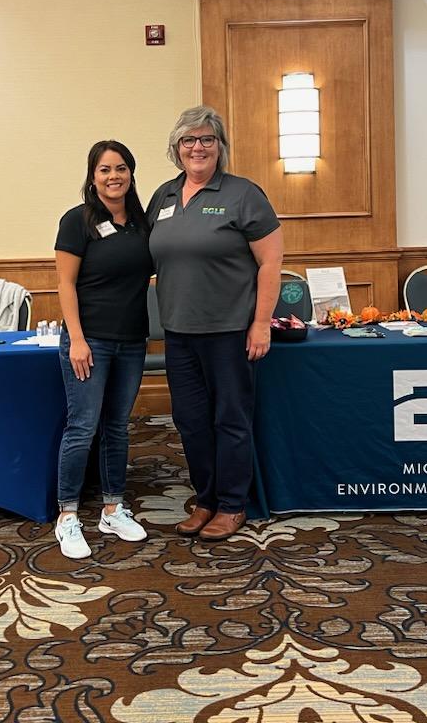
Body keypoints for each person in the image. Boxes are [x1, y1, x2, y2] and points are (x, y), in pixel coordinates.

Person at [147, 106, 282, 542]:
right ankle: (204, 499)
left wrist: (261, 323)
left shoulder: (243, 194)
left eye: (207, 139)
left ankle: (231, 505)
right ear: (176, 148)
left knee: (230, 420)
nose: (198, 147)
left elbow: (270, 262)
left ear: (220, 147)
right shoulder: (164, 196)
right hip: (179, 333)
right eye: (188, 140)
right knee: (189, 421)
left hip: (229, 332)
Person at [52, 140, 152, 560]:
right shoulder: (77, 221)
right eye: (105, 169)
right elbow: (65, 284)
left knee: (116, 426)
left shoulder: (142, 223)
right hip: (88, 340)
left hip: (131, 340)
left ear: (131, 173)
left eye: (122, 168)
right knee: (83, 426)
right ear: (92, 177)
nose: (115, 176)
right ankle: (68, 515)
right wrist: (76, 339)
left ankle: (113, 507)